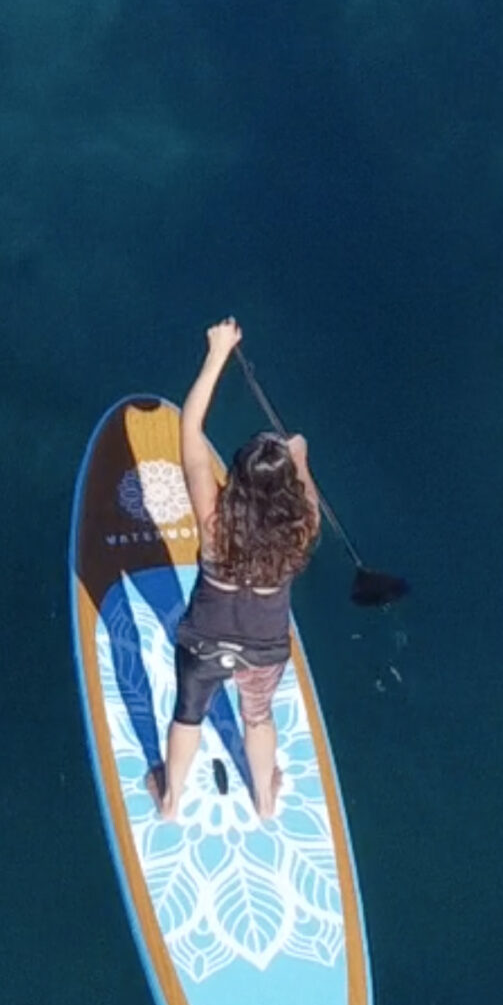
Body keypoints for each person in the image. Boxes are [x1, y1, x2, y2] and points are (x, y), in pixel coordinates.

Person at [144, 318, 321, 823]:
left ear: (236, 478)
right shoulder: (302, 526)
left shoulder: (214, 520)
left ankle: (172, 800)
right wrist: (300, 456)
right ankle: (266, 801)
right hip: (265, 648)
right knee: (258, 715)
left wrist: (219, 351)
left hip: (204, 644)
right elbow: (301, 482)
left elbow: (190, 427)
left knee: (188, 712)